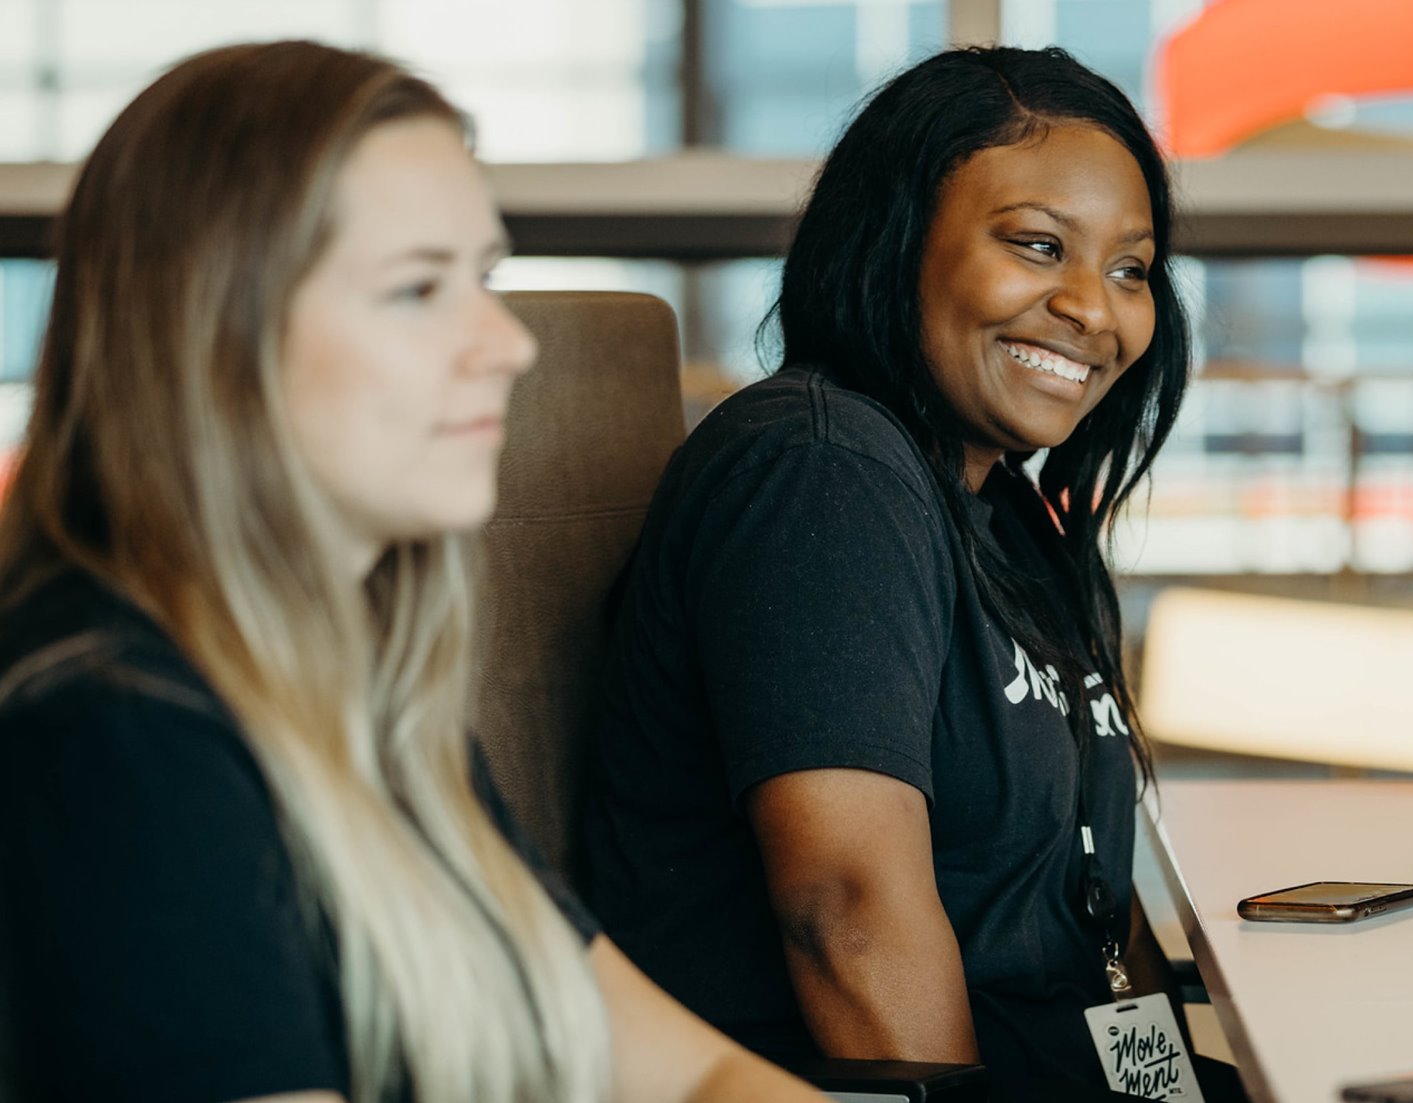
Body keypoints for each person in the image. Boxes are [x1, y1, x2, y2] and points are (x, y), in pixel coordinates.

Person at [0, 41, 821, 1103]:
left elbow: (686, 1070)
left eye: (481, 278)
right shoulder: (117, 725)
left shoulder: (369, 697)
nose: (507, 343)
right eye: (418, 287)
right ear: (218, 334)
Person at [584, 46, 1241, 1101]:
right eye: (1036, 246)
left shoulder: (1003, 511)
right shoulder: (821, 470)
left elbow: (1085, 901)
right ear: (895, 245)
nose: (1094, 309)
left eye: (1130, 268)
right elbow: (846, 912)